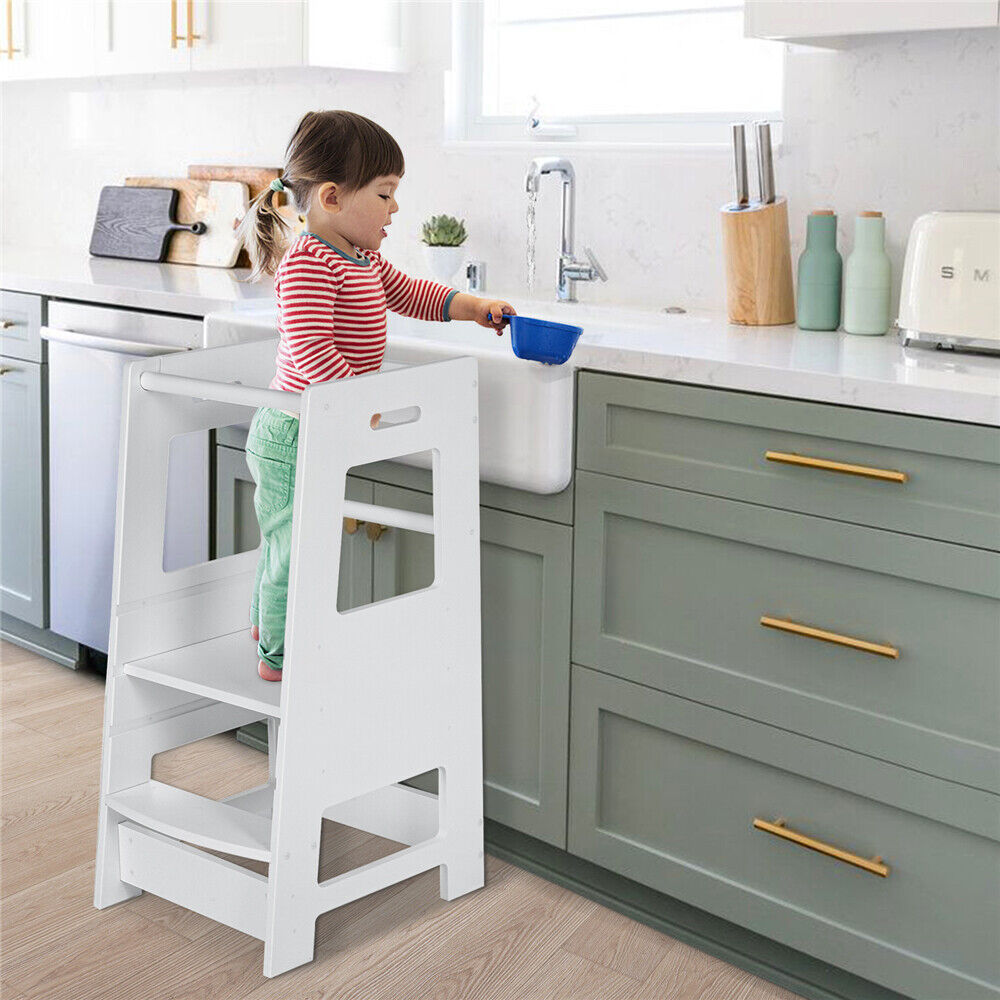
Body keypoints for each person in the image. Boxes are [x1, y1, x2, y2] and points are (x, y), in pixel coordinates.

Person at [236, 109, 515, 681]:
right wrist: (371, 400)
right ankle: (277, 660)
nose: (396, 209)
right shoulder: (308, 266)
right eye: (385, 194)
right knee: (293, 548)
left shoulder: (361, 260)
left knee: (287, 540)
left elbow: (412, 293)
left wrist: (474, 308)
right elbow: (314, 354)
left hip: (322, 423)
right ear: (333, 198)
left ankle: (268, 626)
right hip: (292, 432)